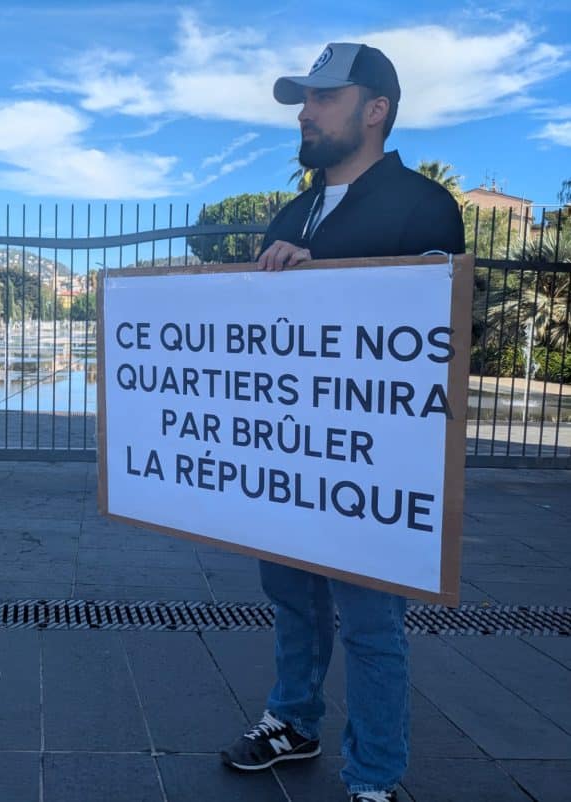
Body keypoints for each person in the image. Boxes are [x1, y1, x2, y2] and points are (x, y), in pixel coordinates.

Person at [219, 44, 465, 802]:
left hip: (371, 464)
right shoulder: (291, 211)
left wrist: (319, 275)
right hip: (291, 454)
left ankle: (375, 777)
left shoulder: (424, 206)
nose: (306, 112)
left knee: (369, 624)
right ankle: (294, 720)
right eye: (304, 99)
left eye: (324, 97)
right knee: (292, 600)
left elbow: (433, 329)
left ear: (376, 109)